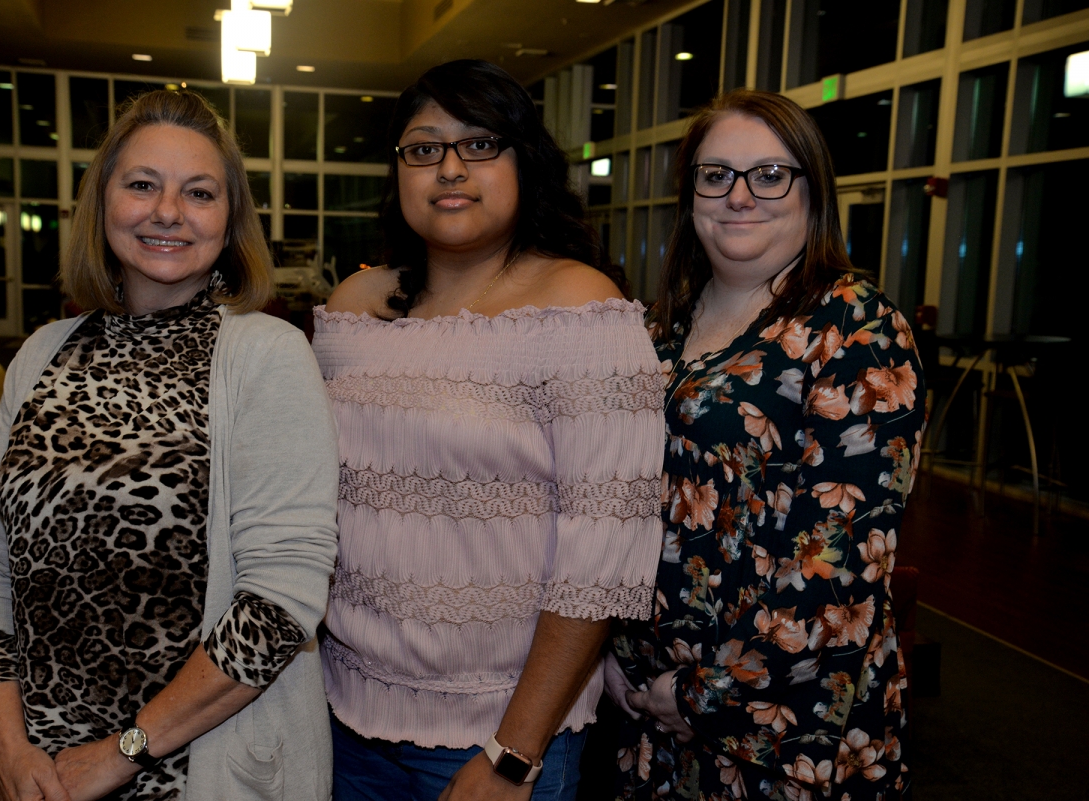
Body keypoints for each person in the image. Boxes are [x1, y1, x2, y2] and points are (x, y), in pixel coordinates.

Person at [0, 89, 339, 801]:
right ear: (102, 204)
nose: (168, 211)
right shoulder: (42, 354)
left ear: (230, 221)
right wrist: (6, 745)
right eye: (141, 185)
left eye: (199, 192)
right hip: (40, 777)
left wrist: (121, 751)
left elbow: (280, 602)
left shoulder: (267, 355)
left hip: (201, 772)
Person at [310, 60, 665, 801]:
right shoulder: (354, 309)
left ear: (523, 162)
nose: (448, 168)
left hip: (495, 733)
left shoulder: (579, 307)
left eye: (479, 145)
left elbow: (601, 556)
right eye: (423, 147)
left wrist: (515, 751)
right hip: (341, 714)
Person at [607, 89, 924, 800]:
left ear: (813, 188)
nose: (740, 195)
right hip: (647, 708)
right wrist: (616, 662)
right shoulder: (663, 329)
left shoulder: (855, 327)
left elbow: (836, 563)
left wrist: (699, 694)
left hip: (783, 725)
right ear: (691, 192)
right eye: (715, 173)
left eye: (770, 174)